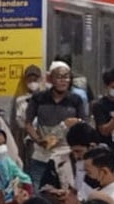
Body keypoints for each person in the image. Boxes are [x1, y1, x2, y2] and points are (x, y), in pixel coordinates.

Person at [24, 61, 86, 191]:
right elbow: (28, 123)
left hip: (66, 154)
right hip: (42, 154)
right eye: (59, 77)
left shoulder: (76, 100)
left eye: (66, 77)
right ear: (50, 78)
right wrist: (37, 140)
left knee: (65, 191)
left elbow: (83, 124)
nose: (63, 81)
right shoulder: (39, 98)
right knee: (38, 190)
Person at [10, 65, 44, 161]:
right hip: (25, 136)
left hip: (43, 134)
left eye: (35, 79)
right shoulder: (20, 100)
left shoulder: (46, 97)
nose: (33, 83)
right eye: (30, 80)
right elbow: (19, 119)